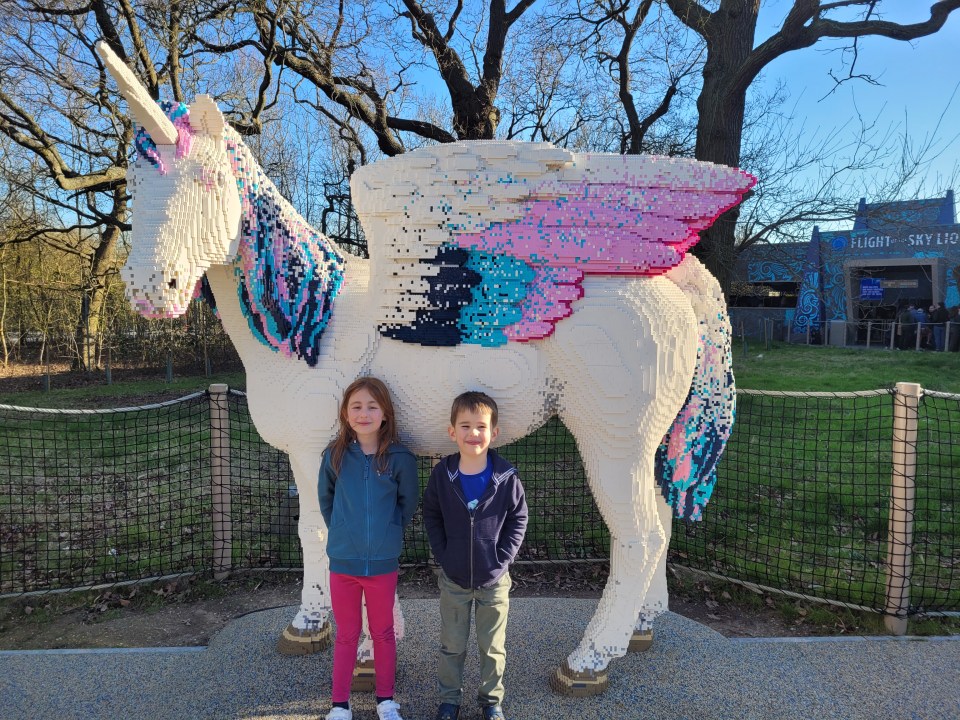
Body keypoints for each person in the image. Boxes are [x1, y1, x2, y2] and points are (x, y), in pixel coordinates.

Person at [318, 377, 420, 720]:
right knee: (346, 634)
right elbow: (326, 501)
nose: (364, 413)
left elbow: (407, 504)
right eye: (356, 406)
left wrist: (387, 534)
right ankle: (339, 705)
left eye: (372, 406)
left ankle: (386, 701)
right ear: (346, 414)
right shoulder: (334, 455)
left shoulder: (401, 458)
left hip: (382, 564)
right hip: (343, 564)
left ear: (385, 414)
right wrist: (346, 533)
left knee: (382, 633)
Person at [422, 391, 528, 720]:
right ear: (452, 431)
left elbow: (518, 518)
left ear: (493, 432)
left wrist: (503, 559)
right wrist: (443, 554)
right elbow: (431, 514)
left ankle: (491, 701)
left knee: (492, 648)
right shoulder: (443, 475)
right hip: (454, 580)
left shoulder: (506, 477)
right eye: (465, 426)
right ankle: (449, 701)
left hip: (493, 581)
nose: (473, 433)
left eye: (480, 426)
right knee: (452, 646)